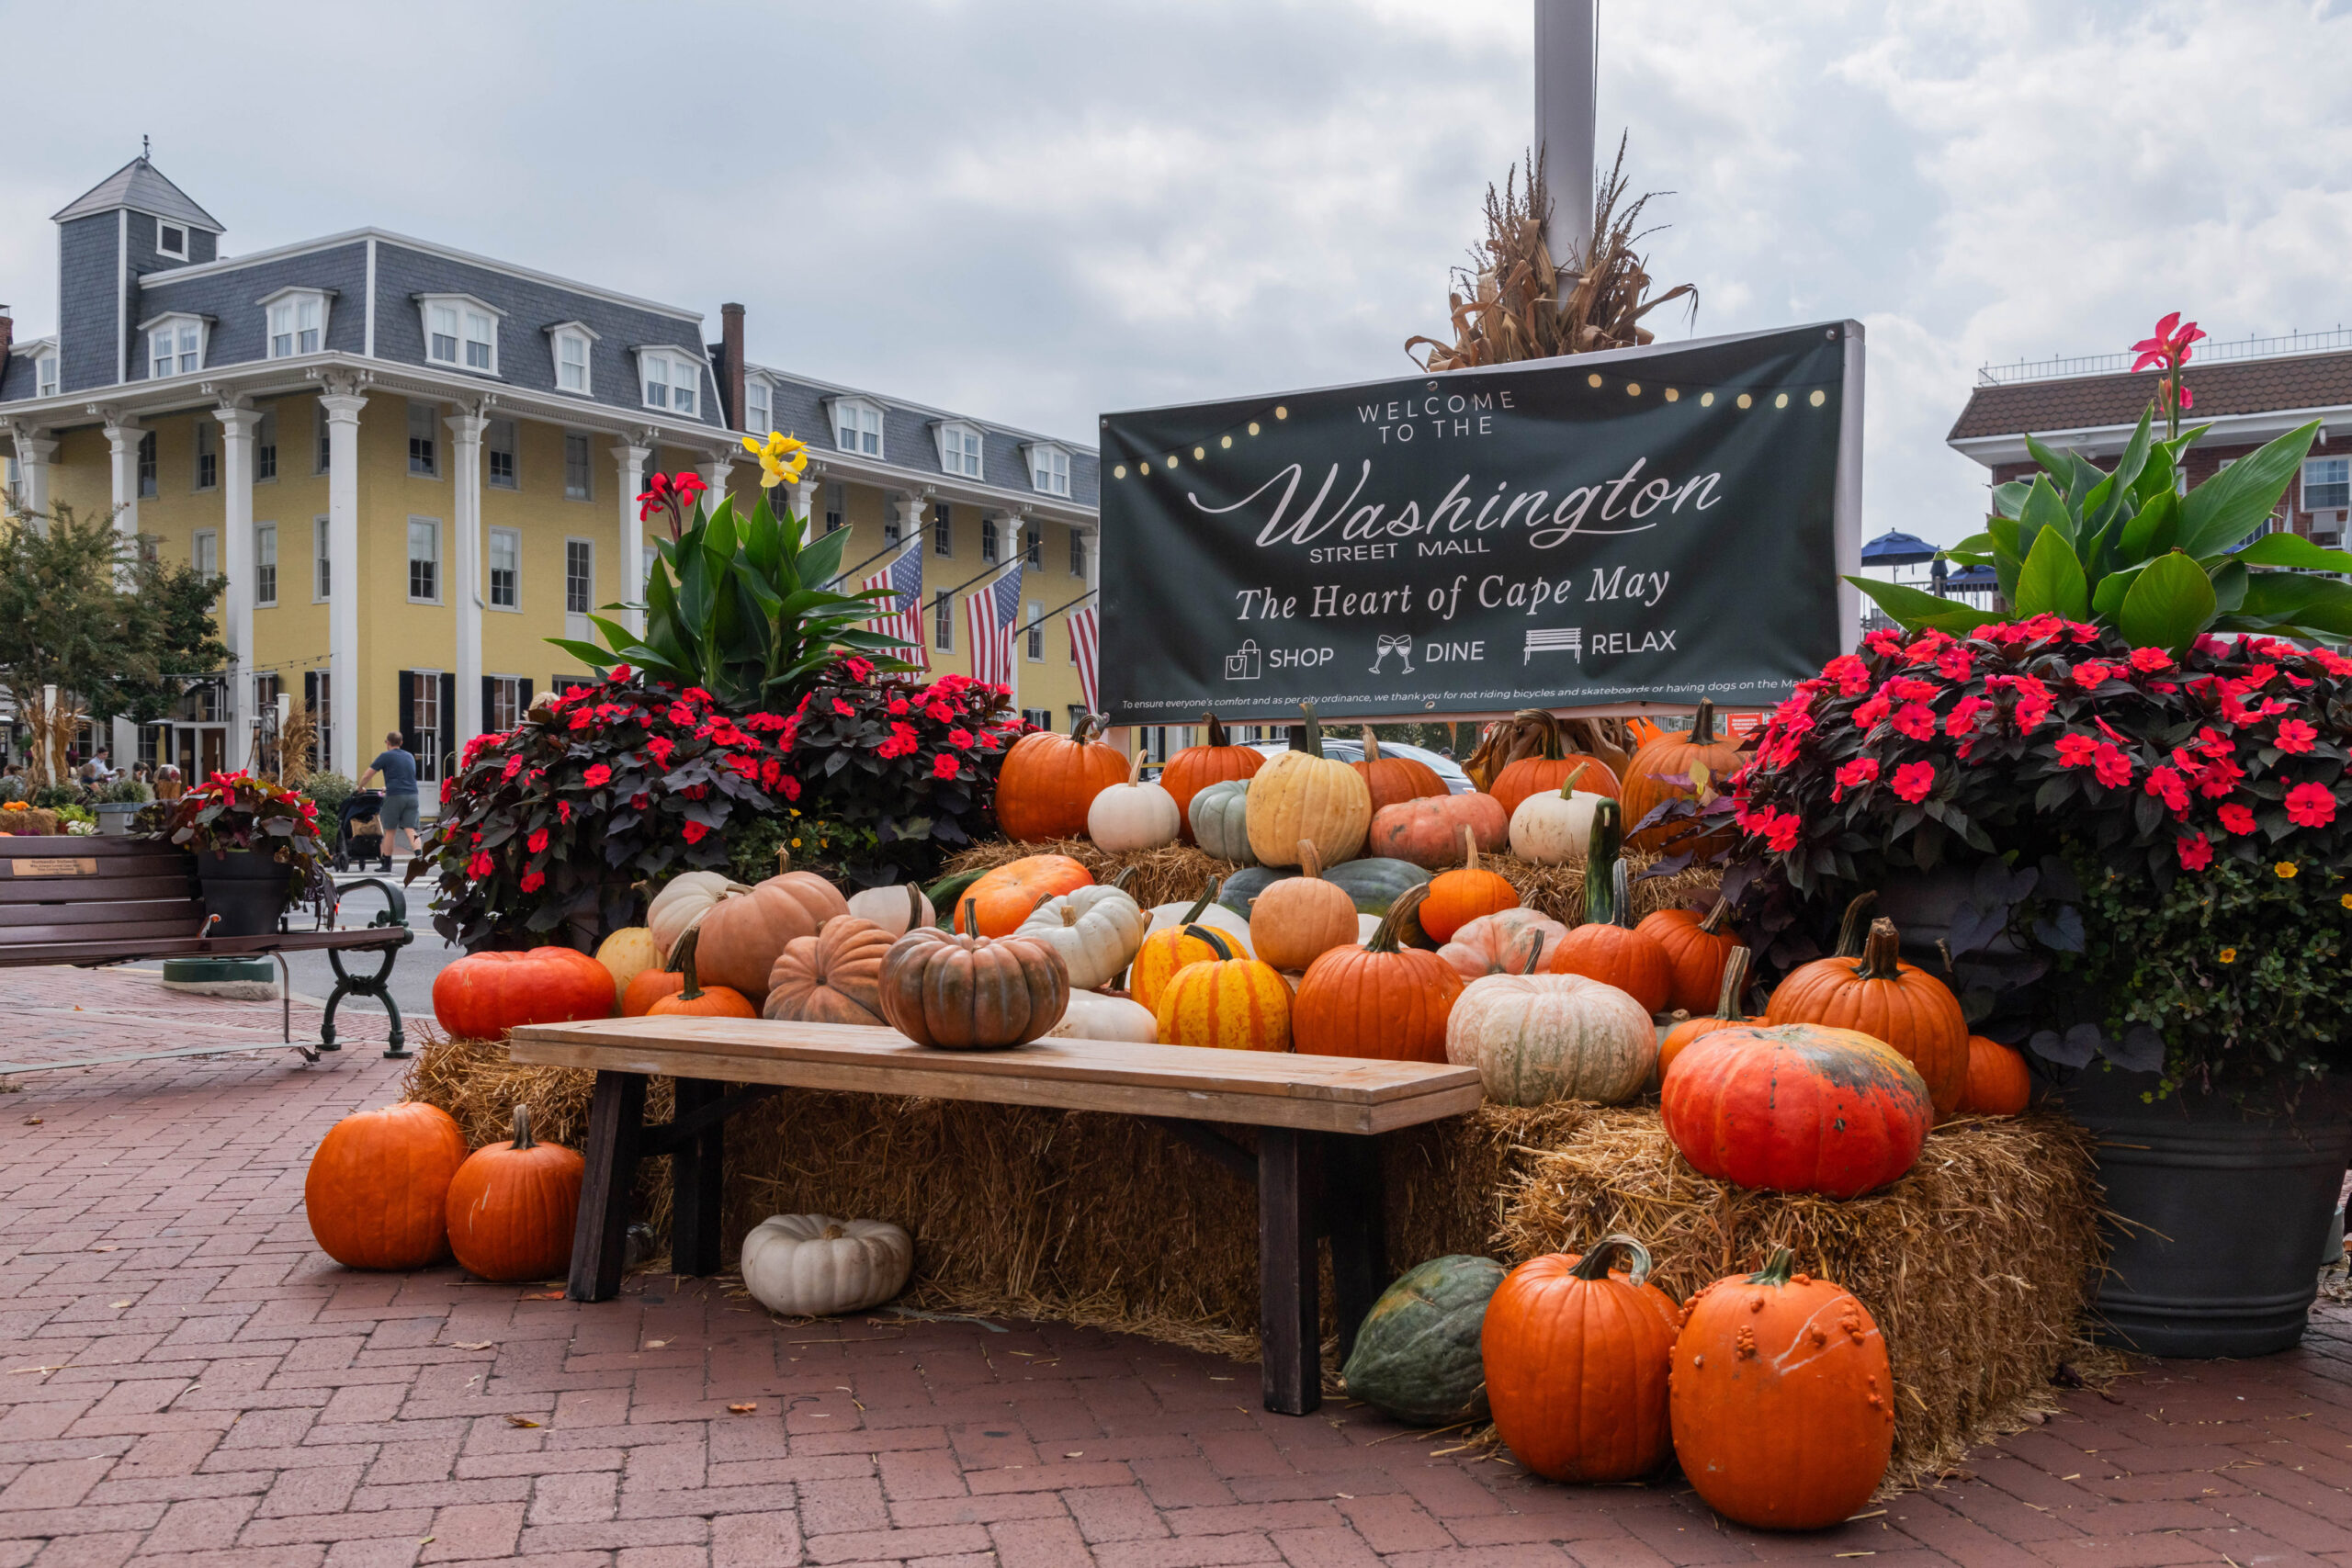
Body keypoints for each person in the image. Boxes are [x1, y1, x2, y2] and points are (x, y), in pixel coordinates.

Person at [359, 731, 420, 873]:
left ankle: (387, 864)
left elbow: (368, 774)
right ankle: (420, 860)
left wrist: (360, 787)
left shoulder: (385, 756)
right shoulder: (409, 756)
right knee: (411, 830)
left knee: (390, 831)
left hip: (395, 796)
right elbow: (405, 777)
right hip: (412, 795)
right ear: (401, 742)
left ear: (387, 742)